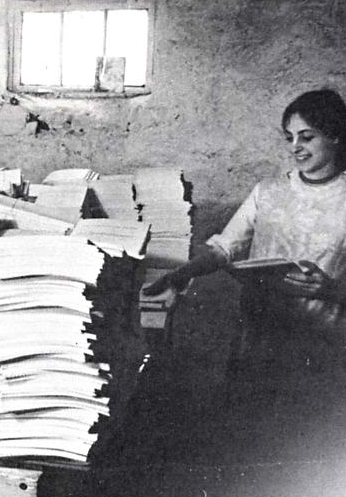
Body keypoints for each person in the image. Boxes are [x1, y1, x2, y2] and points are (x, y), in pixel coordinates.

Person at [144, 88, 346, 459]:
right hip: (260, 335)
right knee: (247, 441)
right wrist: (180, 274)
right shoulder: (269, 192)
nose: (296, 147)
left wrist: (332, 290)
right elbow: (226, 248)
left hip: (323, 345)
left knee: (306, 448)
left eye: (307, 137)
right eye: (289, 138)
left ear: (334, 135)